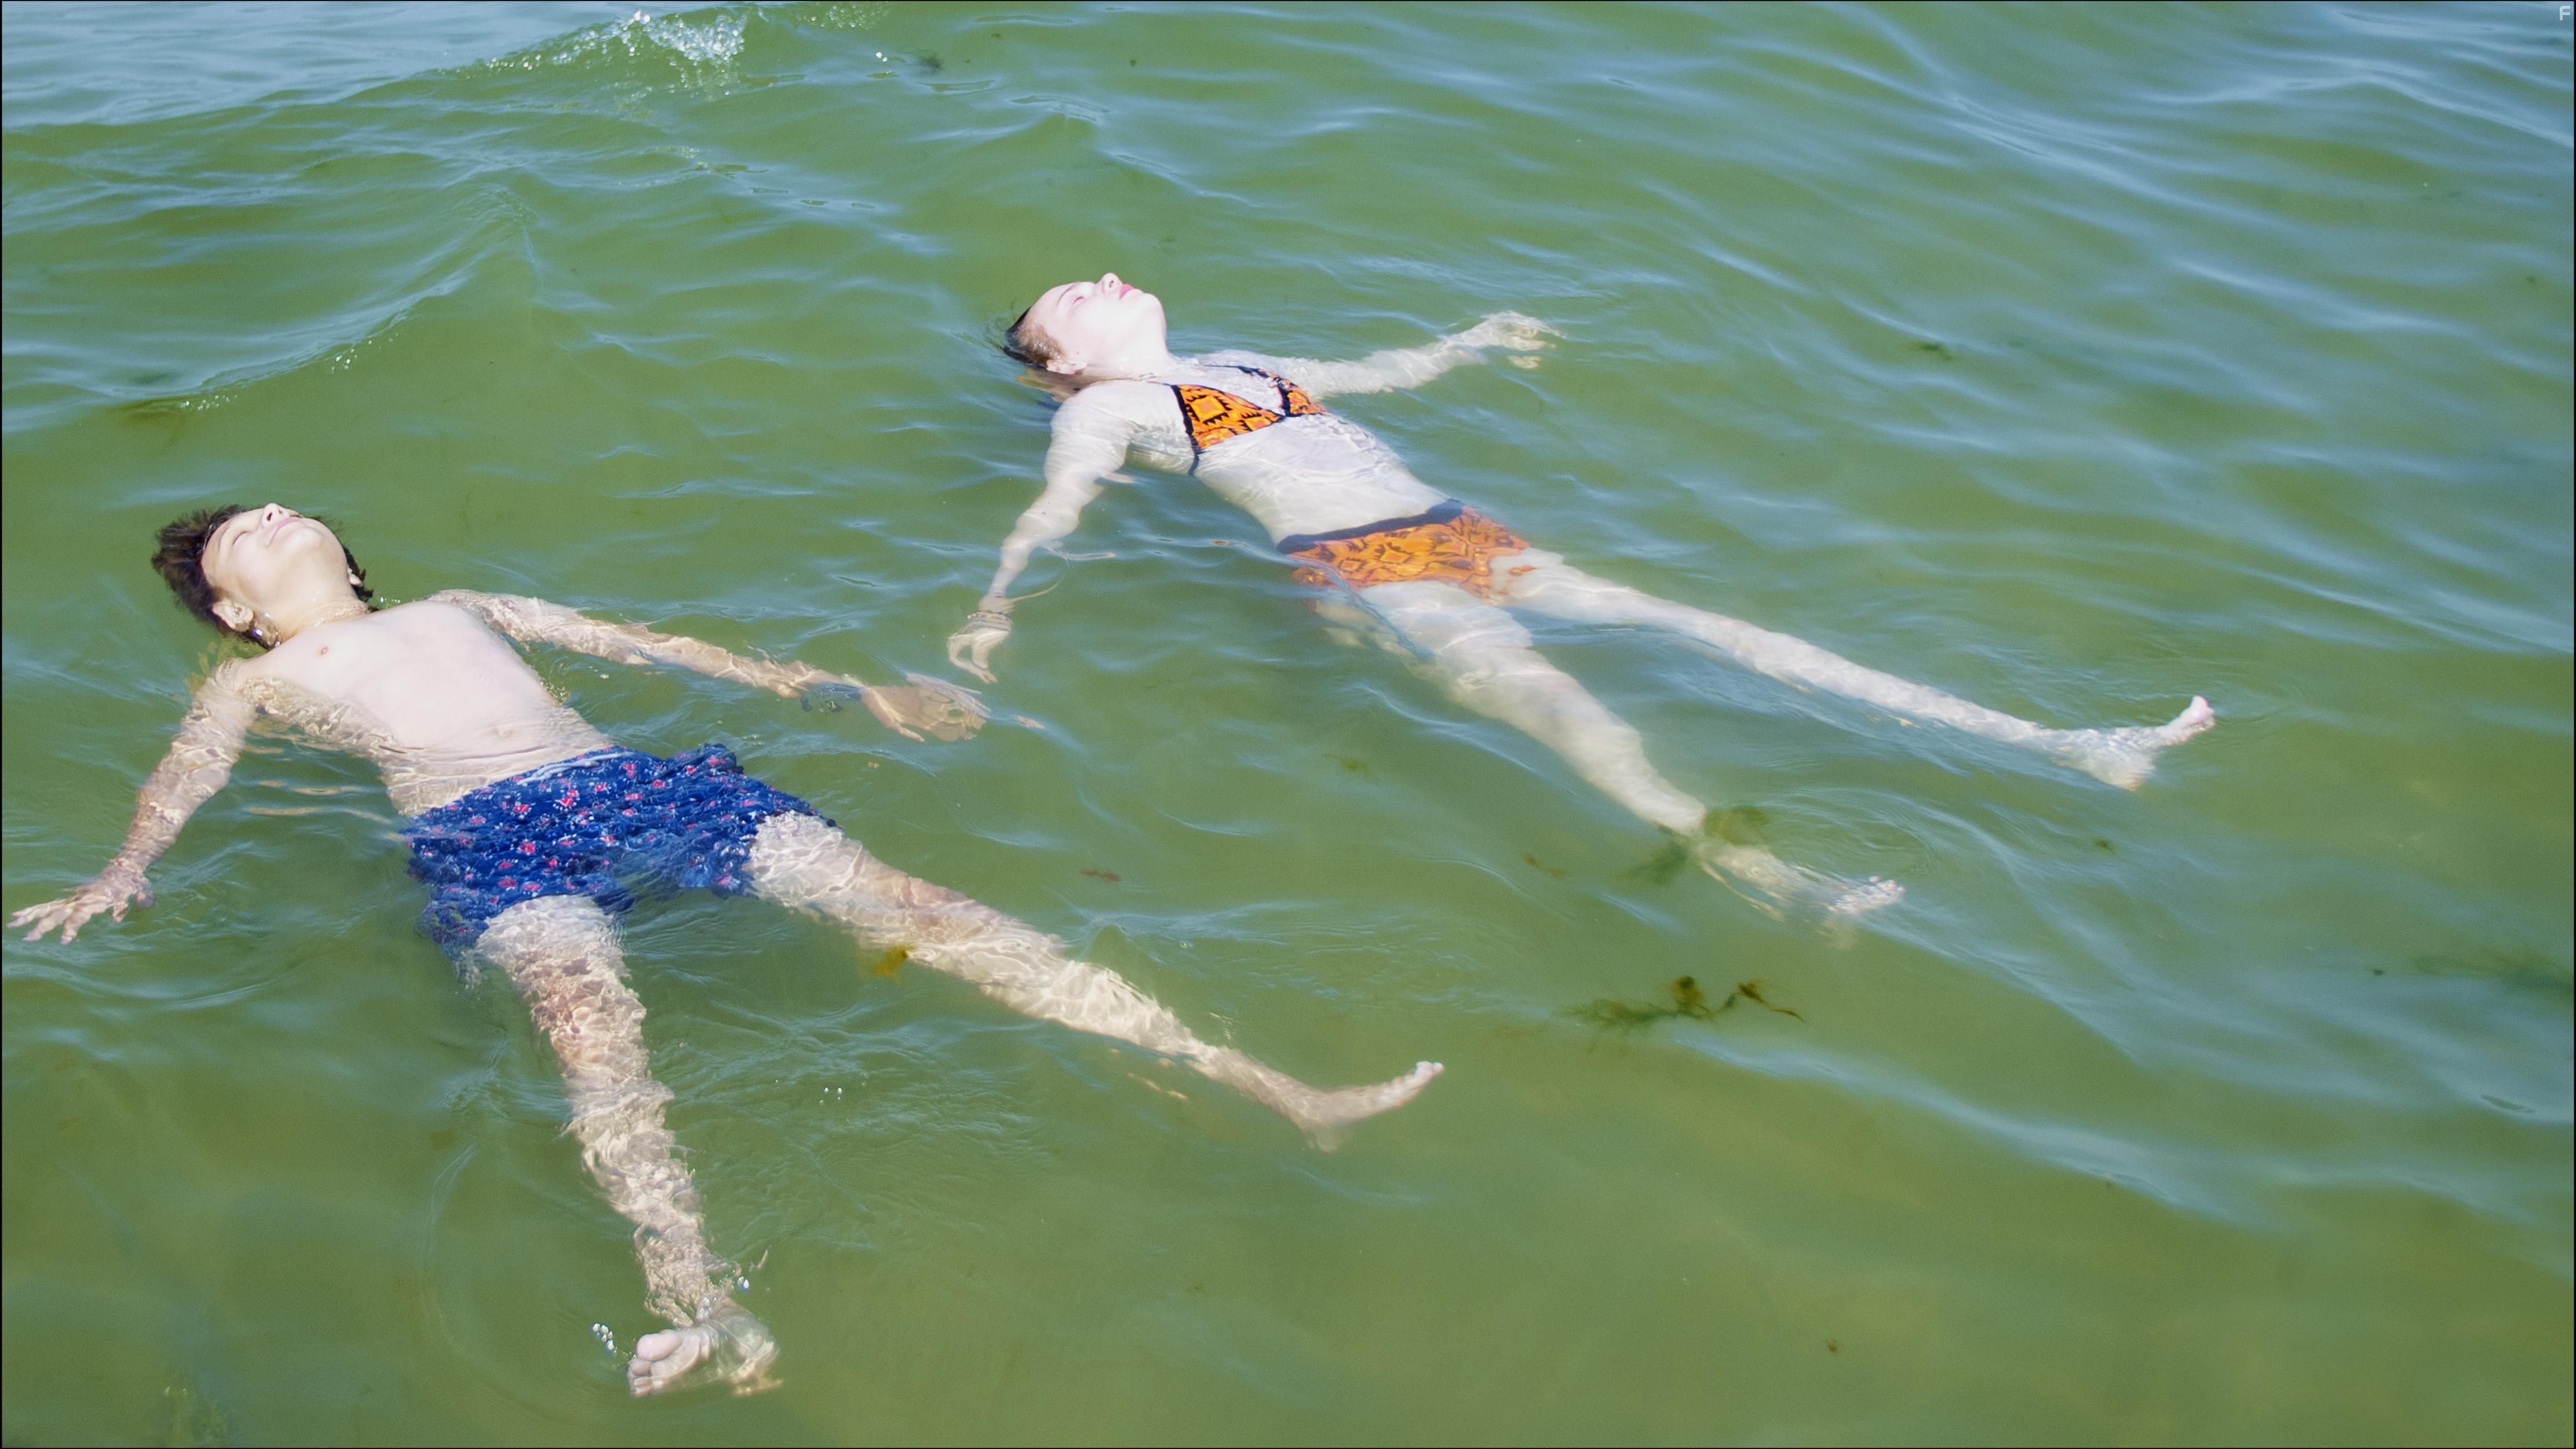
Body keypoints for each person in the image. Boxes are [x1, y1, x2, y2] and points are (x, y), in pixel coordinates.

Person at [12, 503, 1442, 1396]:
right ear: (237, 613)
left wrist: (841, 689)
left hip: (648, 787)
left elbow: (656, 646)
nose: (266, 516)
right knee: (600, 1050)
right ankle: (698, 1306)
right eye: (235, 546)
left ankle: (1263, 1084)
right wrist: (122, 871)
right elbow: (184, 774)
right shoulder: (257, 679)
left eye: (276, 509)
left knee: (927, 914)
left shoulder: (467, 607)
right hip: (491, 843)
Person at [951, 273, 2216, 913]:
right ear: (1061, 356)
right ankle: (1790, 889)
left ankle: (2072, 745)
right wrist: (998, 604)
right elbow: (1056, 504)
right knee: (1579, 721)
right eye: (1079, 293)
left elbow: (1377, 374)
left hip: (1451, 533)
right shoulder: (1109, 408)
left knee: (1729, 632)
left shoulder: (1247, 360)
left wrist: (1469, 343)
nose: (1110, 278)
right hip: (1371, 565)